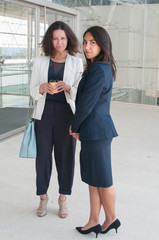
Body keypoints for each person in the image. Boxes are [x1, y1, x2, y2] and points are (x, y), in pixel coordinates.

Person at [70, 26, 121, 237]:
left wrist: (74, 126)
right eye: (85, 42)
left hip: (97, 132)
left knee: (103, 179)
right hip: (93, 132)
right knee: (93, 179)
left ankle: (111, 219)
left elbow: (86, 104)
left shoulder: (100, 69)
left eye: (92, 42)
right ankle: (93, 220)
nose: (87, 46)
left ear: (103, 44)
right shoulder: (98, 67)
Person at [30, 21, 83, 218]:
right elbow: (32, 90)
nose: (59, 42)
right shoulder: (40, 61)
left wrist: (68, 87)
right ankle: (43, 197)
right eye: (55, 38)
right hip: (43, 115)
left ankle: (62, 198)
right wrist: (42, 87)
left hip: (66, 115)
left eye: (62, 38)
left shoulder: (76, 63)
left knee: (65, 157)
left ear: (68, 39)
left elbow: (80, 93)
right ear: (49, 40)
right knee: (42, 156)